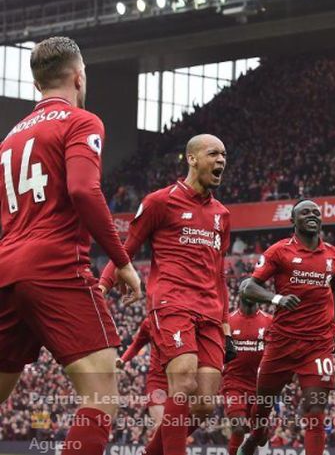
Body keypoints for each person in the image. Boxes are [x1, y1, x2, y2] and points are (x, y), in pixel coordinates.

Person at [0, 36, 142, 455]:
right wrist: (122, 261)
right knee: (101, 394)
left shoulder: (8, 140)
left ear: (36, 84)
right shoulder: (81, 121)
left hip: (7, 268)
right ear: (79, 77)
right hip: (56, 264)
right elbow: (83, 190)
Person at [99, 134, 234, 455]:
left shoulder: (222, 215)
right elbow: (125, 248)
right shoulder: (161, 201)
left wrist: (226, 325)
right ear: (192, 159)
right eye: (213, 154)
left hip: (211, 313)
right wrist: (102, 286)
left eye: (224, 155)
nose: (221, 161)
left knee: (203, 404)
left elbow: (219, 274)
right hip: (172, 303)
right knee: (184, 383)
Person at [238, 199, 335, 455]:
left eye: (316, 213)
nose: (312, 215)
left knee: (316, 408)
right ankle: (258, 433)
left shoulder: (334, 256)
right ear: (292, 221)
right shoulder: (279, 252)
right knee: (262, 404)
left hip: (318, 343)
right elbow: (248, 287)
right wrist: (276, 299)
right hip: (282, 342)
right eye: (305, 212)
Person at [220, 287, 273, 455]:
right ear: (241, 295)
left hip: (261, 387)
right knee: (238, 427)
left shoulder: (269, 321)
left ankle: (261, 433)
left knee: (260, 437)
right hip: (233, 383)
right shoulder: (228, 322)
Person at [117, 316, 168, 431]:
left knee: (175, 426)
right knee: (161, 426)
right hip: (157, 379)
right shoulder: (149, 322)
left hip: (179, 379)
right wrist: (123, 359)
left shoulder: (183, 317)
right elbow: (136, 345)